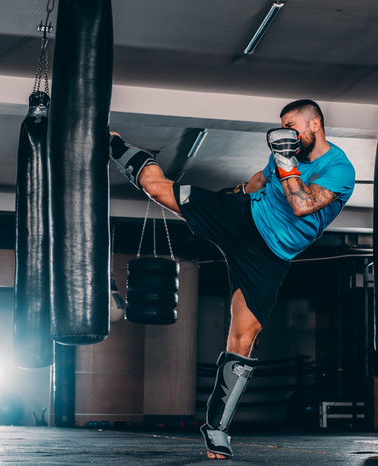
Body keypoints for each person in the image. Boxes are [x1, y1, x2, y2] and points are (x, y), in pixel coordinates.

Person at [110, 99, 355, 459]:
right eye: (283, 126)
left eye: (292, 125)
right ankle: (112, 142)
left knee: (243, 338)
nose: (287, 132)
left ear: (315, 124)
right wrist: (233, 195)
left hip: (270, 257)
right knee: (160, 190)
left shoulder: (340, 169)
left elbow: (302, 204)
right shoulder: (281, 157)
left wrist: (286, 162)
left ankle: (216, 428)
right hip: (241, 217)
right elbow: (260, 180)